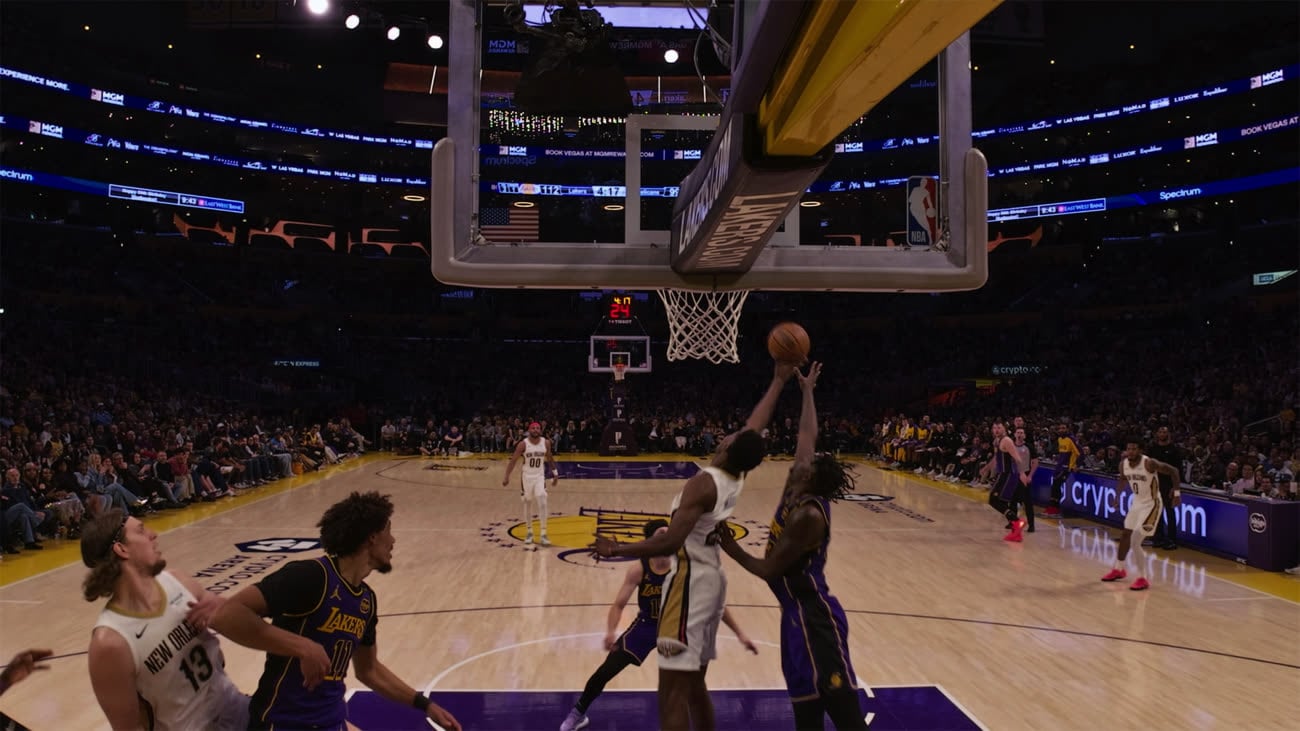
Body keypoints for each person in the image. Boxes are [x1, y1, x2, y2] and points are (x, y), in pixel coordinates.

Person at [592, 362, 795, 731]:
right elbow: (754, 427)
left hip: (688, 586)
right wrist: (778, 380)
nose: (728, 434)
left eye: (732, 436)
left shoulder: (704, 484)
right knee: (695, 687)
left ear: (728, 449)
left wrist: (616, 549)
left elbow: (670, 540)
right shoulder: (735, 473)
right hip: (710, 582)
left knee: (671, 692)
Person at [217, 491, 461, 731]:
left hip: (331, 720)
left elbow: (369, 671)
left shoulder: (366, 600)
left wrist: (426, 705)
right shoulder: (312, 576)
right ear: (372, 537)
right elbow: (226, 615)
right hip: (284, 722)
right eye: (389, 531)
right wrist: (303, 647)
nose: (393, 540)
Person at [715, 363, 868, 731]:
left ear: (810, 480)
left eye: (808, 466)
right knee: (806, 713)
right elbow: (806, 435)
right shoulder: (795, 490)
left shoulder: (808, 516)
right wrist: (807, 391)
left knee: (846, 715)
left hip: (815, 617)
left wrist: (729, 544)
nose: (802, 461)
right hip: (794, 616)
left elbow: (769, 569)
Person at [81, 510, 331, 731]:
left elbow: (242, 624)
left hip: (238, 711)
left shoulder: (177, 582)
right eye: (141, 530)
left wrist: (301, 646)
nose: (153, 534)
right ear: (121, 549)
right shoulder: (111, 642)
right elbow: (129, 727)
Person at [560, 520, 758, 731]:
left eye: (668, 534)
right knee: (606, 671)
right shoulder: (639, 569)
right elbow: (618, 605)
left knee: (690, 685)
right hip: (646, 626)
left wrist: (740, 634)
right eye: (660, 535)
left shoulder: (685, 567)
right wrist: (610, 632)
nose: (667, 538)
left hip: (676, 629)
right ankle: (578, 713)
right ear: (651, 542)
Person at [1100, 439, 1182, 591]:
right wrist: (1117, 496)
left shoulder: (1149, 463)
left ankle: (1142, 578)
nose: (1131, 451)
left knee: (1135, 540)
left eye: (1134, 449)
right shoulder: (1123, 464)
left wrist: (1176, 493)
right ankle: (1119, 569)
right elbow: (1123, 479)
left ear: (1140, 450)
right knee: (1126, 535)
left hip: (1152, 504)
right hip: (1137, 502)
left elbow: (1174, 471)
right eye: (1128, 448)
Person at [502, 421, 559, 546]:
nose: (536, 430)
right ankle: (529, 532)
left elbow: (550, 458)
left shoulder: (546, 442)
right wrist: (506, 476)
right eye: (533, 428)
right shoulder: (523, 444)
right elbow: (513, 461)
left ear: (540, 430)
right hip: (527, 477)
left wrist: (555, 473)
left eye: (538, 428)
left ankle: (543, 534)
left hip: (539, 476)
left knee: (542, 499)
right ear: (529, 430)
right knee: (527, 502)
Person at [980, 422, 1030, 541]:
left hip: (1009, 474)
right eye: (994, 428)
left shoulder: (1006, 441)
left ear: (1004, 429)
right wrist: (986, 468)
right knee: (1002, 501)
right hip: (1003, 474)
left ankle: (1017, 521)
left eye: (999, 427)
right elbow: (996, 459)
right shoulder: (997, 441)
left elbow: (1017, 458)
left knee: (993, 499)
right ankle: (1016, 533)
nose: (996, 430)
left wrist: (1022, 474)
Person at [1146, 425, 1183, 550]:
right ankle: (1159, 537)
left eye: (1164, 432)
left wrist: (1175, 487)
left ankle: (1172, 539)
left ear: (1168, 434)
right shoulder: (1152, 448)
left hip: (1168, 484)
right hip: (1155, 483)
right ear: (1157, 434)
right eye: (1160, 431)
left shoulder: (1174, 449)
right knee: (1157, 511)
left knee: (1170, 511)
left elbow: (1178, 469)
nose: (1162, 433)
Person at [1045, 422, 1080, 517]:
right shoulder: (1060, 439)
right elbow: (1062, 454)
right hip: (1059, 466)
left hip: (1066, 467)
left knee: (1057, 486)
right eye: (1060, 428)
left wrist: (1075, 465)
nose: (1061, 430)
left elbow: (1079, 453)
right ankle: (1052, 507)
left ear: (1067, 429)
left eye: (1063, 428)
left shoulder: (1071, 439)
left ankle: (1055, 508)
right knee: (1054, 486)